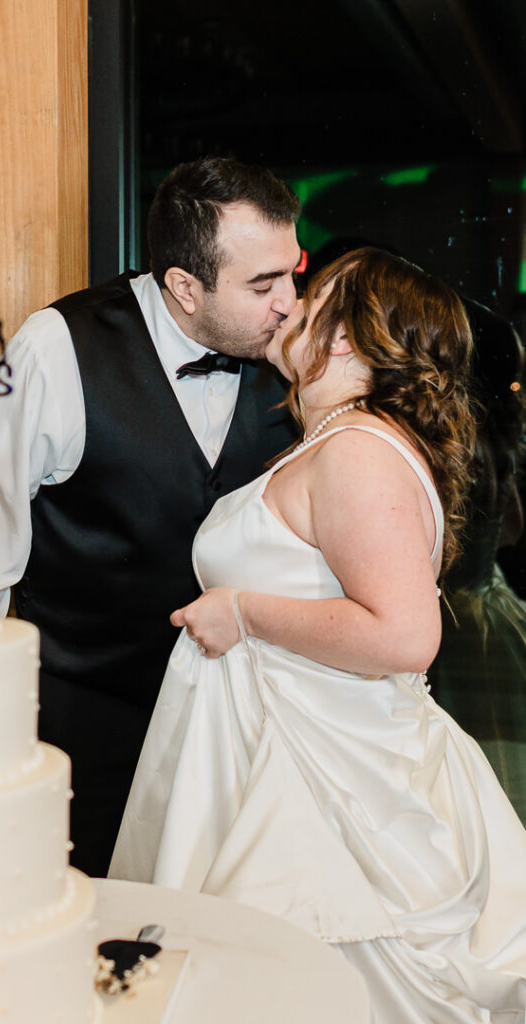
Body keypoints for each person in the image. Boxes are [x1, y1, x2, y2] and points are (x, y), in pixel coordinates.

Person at [110, 248, 526, 1021]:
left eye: (311, 294)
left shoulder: (358, 451)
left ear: (340, 338)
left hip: (322, 793)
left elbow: (404, 636)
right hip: (279, 749)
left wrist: (241, 611)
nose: (288, 304)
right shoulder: (338, 440)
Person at [0, 156, 301, 876]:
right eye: (263, 284)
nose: (290, 304)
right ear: (183, 286)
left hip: (246, 715)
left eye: (292, 275)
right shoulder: (57, 350)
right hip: (90, 711)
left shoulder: (294, 357)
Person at [427, 299, 526, 823]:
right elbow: (513, 529)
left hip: (451, 619)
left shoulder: (446, 443)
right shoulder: (503, 444)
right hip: (492, 601)